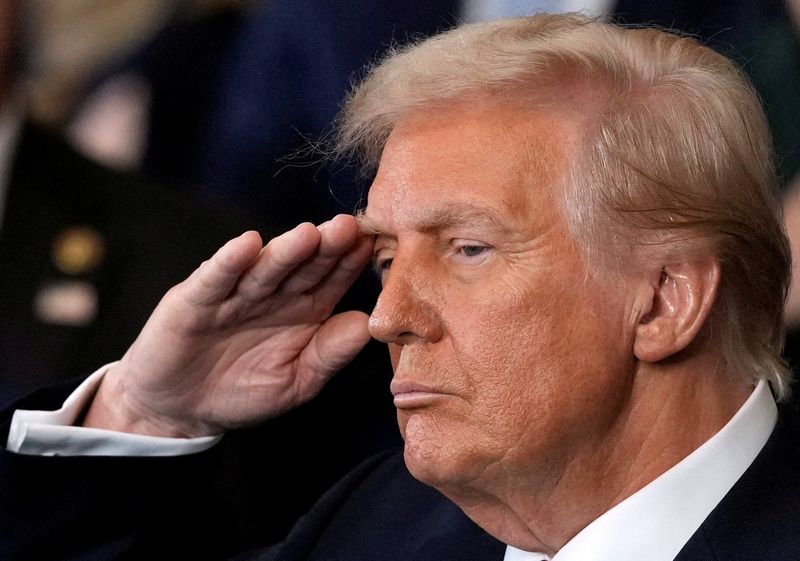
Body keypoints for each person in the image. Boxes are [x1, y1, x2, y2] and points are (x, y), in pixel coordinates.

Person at [1, 12, 797, 560]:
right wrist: (144, 412)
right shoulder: (373, 524)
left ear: (665, 300)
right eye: (385, 259)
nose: (387, 318)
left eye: (468, 248)